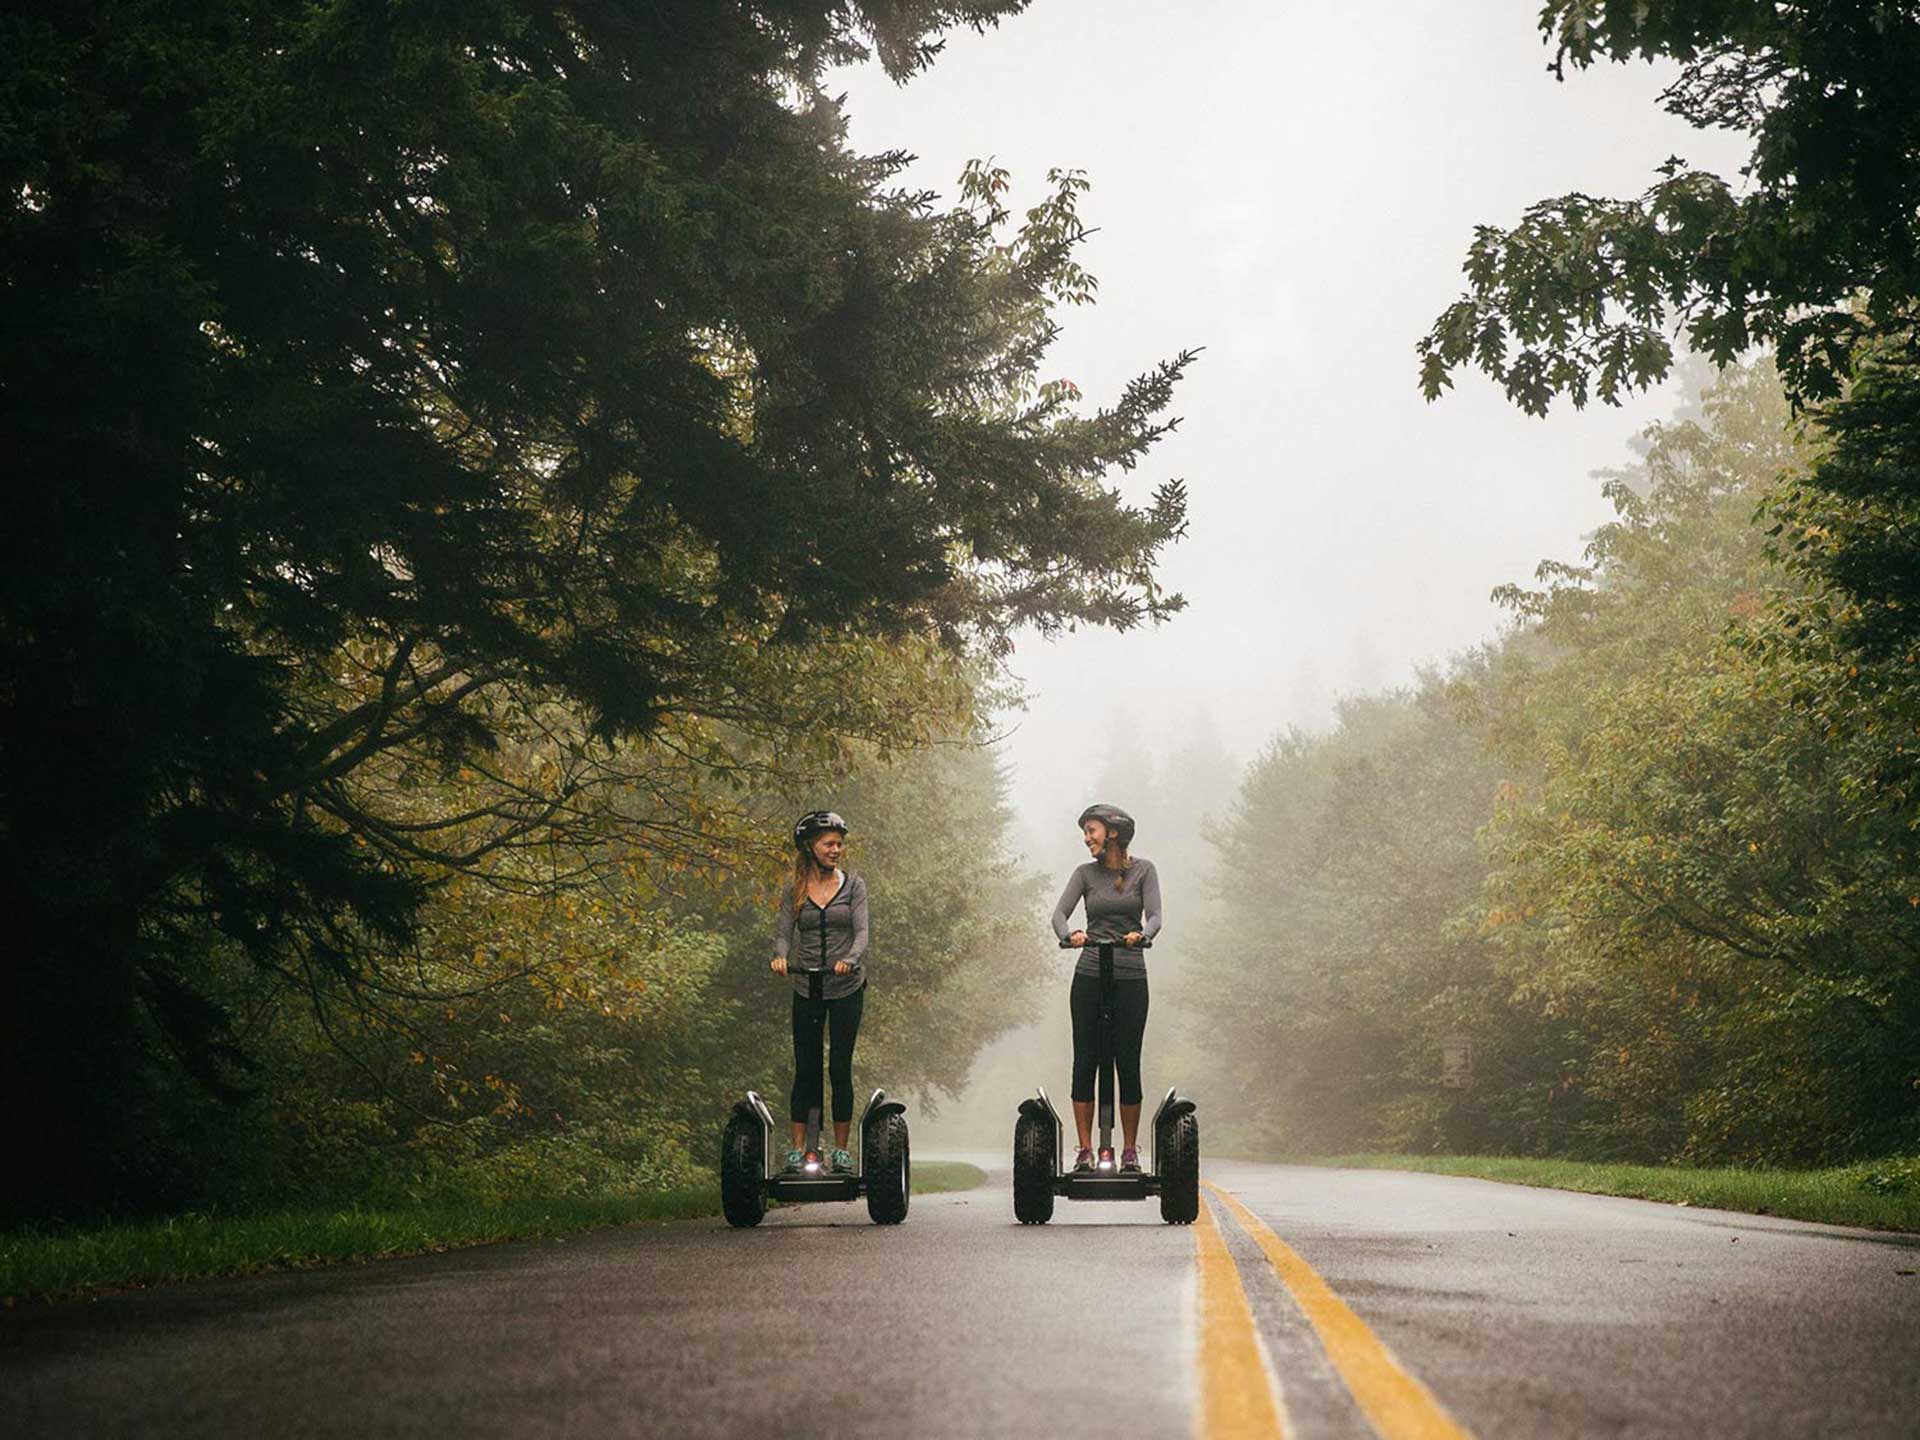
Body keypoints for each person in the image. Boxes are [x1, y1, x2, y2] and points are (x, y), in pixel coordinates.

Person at [1051, 803, 1162, 1173]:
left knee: (1126, 1062)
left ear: (1112, 832)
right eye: (1085, 832)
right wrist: (1071, 936)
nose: (1086, 838)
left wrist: (1142, 935)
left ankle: (1129, 1151)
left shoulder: (1144, 871)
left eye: (1091, 831)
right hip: (1089, 975)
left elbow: (1156, 916)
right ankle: (1085, 1150)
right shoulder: (1084, 874)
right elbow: (1059, 914)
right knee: (1086, 1061)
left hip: (1130, 975)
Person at [771, 810, 869, 1173]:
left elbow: (861, 934)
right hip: (806, 984)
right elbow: (784, 931)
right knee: (806, 1069)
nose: (836, 849)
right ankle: (799, 1151)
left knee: (839, 1068)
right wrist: (780, 957)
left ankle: (841, 1152)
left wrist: (851, 958)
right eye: (829, 843)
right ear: (810, 847)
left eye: (839, 844)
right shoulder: (794, 888)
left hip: (846, 986)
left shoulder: (854, 886)